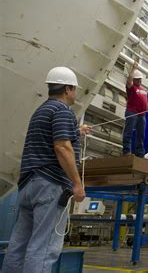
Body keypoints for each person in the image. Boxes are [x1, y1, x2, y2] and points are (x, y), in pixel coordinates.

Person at [2, 67, 90, 273]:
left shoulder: (41, 111)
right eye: (74, 89)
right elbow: (61, 146)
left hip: (28, 186)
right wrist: (77, 184)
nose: (75, 93)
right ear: (68, 89)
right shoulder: (62, 111)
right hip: (49, 186)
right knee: (43, 247)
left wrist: (76, 131)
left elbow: (49, 138)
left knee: (18, 246)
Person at [122, 62, 148, 157]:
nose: (140, 80)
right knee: (129, 132)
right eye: (138, 79)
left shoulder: (143, 90)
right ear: (134, 80)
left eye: (140, 79)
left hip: (142, 115)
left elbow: (146, 103)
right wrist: (133, 69)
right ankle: (126, 151)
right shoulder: (131, 88)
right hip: (132, 112)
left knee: (141, 135)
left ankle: (140, 153)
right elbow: (128, 81)